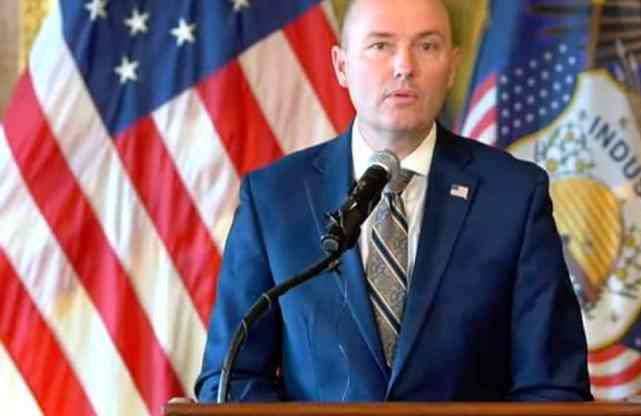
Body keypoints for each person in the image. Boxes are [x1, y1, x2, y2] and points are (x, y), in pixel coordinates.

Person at [195, 0, 592, 402]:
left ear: (452, 66)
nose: (404, 66)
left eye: (427, 46)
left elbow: (553, 387)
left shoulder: (514, 196)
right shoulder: (274, 199)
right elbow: (232, 379)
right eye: (381, 46)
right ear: (341, 65)